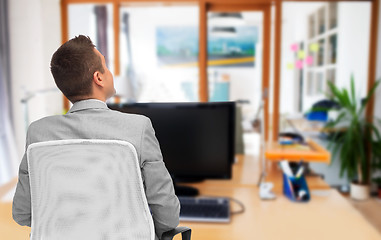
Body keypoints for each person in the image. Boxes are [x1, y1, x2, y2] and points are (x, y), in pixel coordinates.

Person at [12, 35, 180, 240]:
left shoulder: (38, 133)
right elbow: (166, 213)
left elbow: (22, 213)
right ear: (99, 77)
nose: (110, 73)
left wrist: (70, 228)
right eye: (106, 67)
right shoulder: (138, 127)